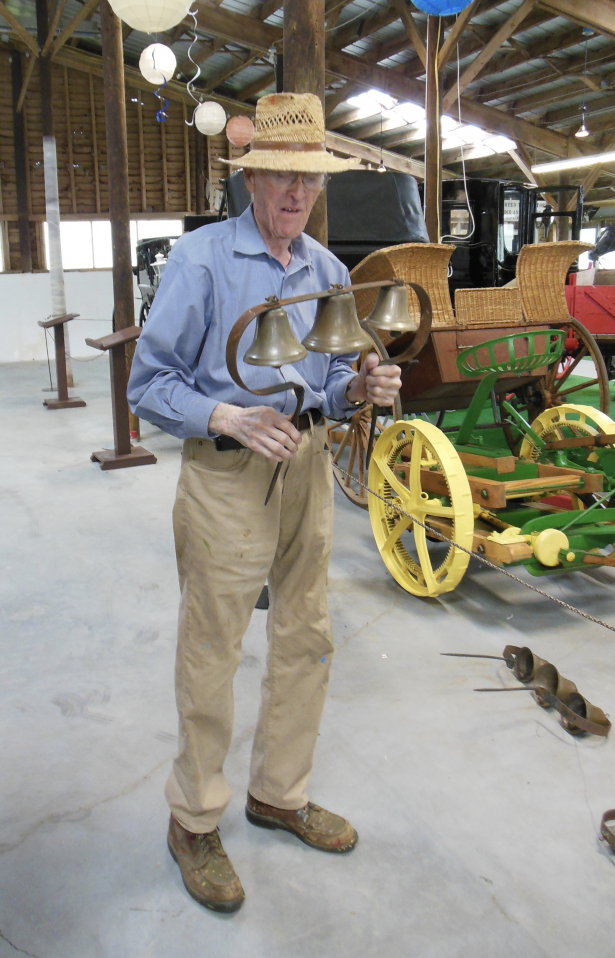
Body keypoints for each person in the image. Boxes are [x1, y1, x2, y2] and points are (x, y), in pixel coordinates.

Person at [128, 92, 402, 914]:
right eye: (281, 175)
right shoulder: (201, 261)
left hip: (308, 466)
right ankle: (194, 819)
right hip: (226, 473)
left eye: (309, 180)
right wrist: (225, 416)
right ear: (253, 179)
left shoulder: (326, 271)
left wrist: (362, 383)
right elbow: (149, 384)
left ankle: (279, 792)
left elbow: (324, 377)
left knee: (307, 634)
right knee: (213, 645)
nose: (296, 193)